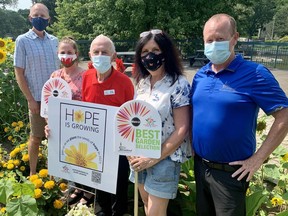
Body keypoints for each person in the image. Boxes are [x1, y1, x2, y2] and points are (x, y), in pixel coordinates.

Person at [191, 13, 288, 216]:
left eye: (220, 39)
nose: (213, 44)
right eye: (209, 40)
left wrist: (258, 158)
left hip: (231, 173)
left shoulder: (255, 74)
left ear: (235, 38)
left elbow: (284, 115)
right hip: (200, 168)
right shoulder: (201, 75)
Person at [128, 30, 191, 216]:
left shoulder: (178, 84)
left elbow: (182, 128)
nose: (150, 56)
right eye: (145, 51)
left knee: (156, 212)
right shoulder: (142, 84)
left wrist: (154, 158)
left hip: (164, 159)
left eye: (155, 49)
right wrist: (129, 150)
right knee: (147, 205)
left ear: (166, 52)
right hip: (140, 156)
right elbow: (134, 120)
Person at [82, 34, 134, 216]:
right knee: (98, 183)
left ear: (114, 56)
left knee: (118, 186)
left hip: (117, 146)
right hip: (94, 145)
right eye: (96, 52)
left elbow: (131, 117)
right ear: (90, 55)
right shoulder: (86, 78)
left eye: (105, 52)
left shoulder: (125, 82)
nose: (100, 55)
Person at [14, 3, 59, 175]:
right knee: (36, 137)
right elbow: (19, 72)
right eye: (36, 15)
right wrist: (30, 99)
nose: (39, 18)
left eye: (43, 15)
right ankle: (33, 173)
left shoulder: (54, 41)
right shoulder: (23, 41)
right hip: (37, 99)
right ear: (30, 18)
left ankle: (55, 172)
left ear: (49, 19)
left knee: (57, 137)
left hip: (56, 99)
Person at [46, 36, 87, 206]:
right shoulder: (55, 75)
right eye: (63, 52)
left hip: (81, 124)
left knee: (83, 157)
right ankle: (77, 187)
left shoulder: (85, 76)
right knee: (69, 158)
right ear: (58, 53)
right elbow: (48, 101)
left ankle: (88, 192)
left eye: (69, 52)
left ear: (76, 54)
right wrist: (49, 123)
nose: (66, 55)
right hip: (62, 125)